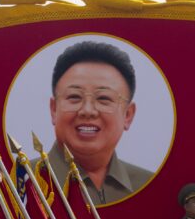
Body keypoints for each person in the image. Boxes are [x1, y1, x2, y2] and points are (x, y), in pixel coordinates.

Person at [41, 40, 153, 205]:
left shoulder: (151, 186)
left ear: (128, 115)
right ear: (53, 109)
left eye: (103, 98)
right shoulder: (22, 182)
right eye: (74, 97)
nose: (88, 110)